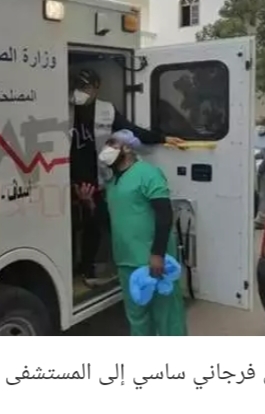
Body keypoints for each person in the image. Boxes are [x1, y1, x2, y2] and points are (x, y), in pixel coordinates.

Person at [69, 69, 184, 286]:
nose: (80, 92)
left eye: (85, 87)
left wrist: (162, 138)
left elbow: (132, 130)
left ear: (96, 88)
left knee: (97, 222)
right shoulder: (63, 107)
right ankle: (77, 268)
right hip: (66, 175)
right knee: (74, 224)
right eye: (77, 87)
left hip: (95, 176)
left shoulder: (106, 110)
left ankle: (89, 269)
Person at [76, 130, 187, 336]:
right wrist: (89, 203)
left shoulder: (148, 173)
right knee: (137, 317)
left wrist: (157, 254)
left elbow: (164, 215)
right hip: (127, 262)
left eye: (112, 144)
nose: (106, 149)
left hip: (152, 261)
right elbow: (111, 221)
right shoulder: (112, 184)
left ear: (127, 148)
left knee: (167, 317)